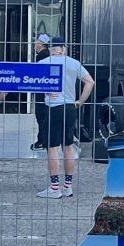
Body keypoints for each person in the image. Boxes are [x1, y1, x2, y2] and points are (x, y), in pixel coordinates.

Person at [37, 38, 94, 199]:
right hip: (70, 107)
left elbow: (31, 81)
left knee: (52, 147)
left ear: (50, 49)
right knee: (68, 146)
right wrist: (80, 101)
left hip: (53, 107)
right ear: (63, 48)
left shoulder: (43, 63)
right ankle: (67, 186)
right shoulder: (74, 63)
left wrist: (46, 90)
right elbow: (90, 82)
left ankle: (55, 188)